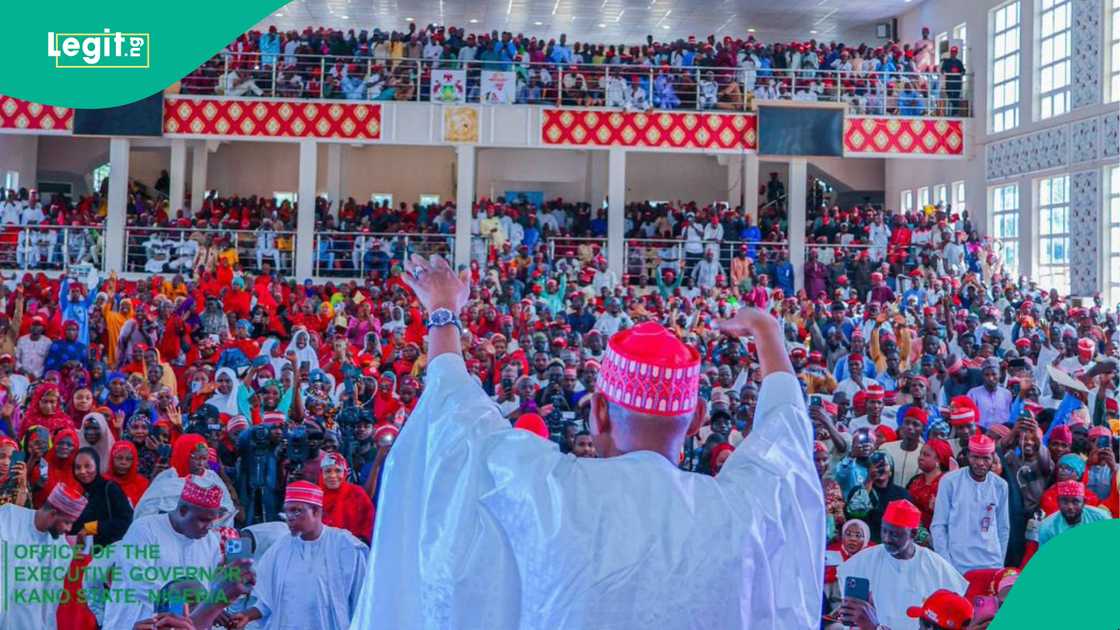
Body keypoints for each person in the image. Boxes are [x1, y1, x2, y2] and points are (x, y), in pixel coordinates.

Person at [351, 254, 825, 629]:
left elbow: (457, 420)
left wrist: (443, 312)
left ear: (598, 411)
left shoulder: (548, 493)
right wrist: (766, 332)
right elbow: (785, 441)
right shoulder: (742, 515)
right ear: (699, 418)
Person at [231, 481, 368, 630]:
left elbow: (363, 603)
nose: (290, 517)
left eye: (296, 510)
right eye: (287, 511)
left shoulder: (346, 546)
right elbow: (266, 602)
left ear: (316, 511)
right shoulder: (280, 549)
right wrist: (247, 616)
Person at [102, 477, 226, 629]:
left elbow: (210, 584)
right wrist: (200, 603)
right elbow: (140, 583)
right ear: (183, 511)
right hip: (136, 621)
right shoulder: (145, 529)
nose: (208, 527)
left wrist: (214, 607)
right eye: (203, 520)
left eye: (212, 521)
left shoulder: (210, 541)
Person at [837, 500, 967, 630]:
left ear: (913, 534)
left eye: (894, 534)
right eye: (884, 531)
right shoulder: (863, 560)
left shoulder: (935, 565)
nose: (887, 538)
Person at [0, 483, 87, 629]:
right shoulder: (8, 517)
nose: (69, 529)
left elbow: (50, 602)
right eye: (67, 522)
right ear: (53, 513)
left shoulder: (62, 550)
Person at [930, 434, 1010, 575]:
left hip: (991, 563)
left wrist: (999, 561)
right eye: (975, 457)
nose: (980, 463)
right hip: (956, 563)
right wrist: (947, 564)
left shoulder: (1000, 485)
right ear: (968, 456)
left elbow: (1003, 528)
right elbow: (938, 526)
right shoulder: (950, 481)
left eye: (985, 458)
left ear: (993, 458)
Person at [318, 452, 374, 544]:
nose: (332, 475)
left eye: (338, 471)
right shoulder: (315, 496)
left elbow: (369, 522)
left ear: (345, 473)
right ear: (321, 473)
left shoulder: (356, 493)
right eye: (328, 471)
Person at [1037, 480, 1111, 546]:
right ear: (1058, 502)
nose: (1070, 507)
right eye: (1065, 501)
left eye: (1075, 501)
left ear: (1084, 502)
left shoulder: (1101, 518)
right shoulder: (1047, 527)